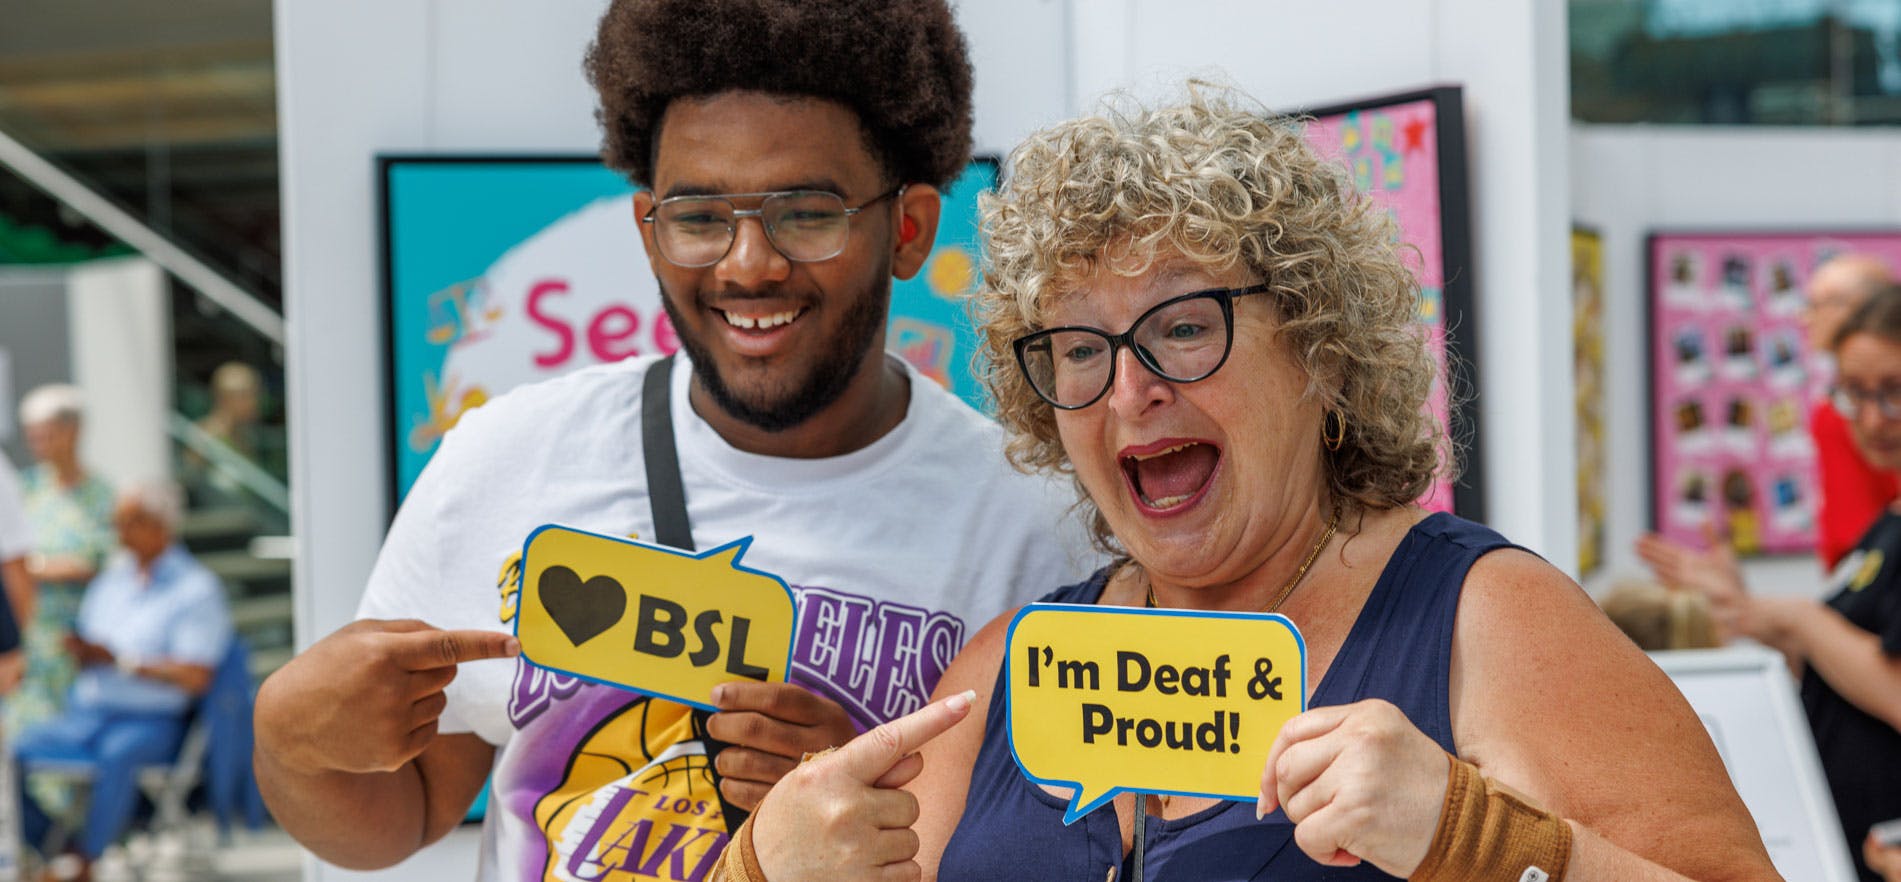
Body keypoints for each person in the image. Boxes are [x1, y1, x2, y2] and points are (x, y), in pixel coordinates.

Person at [718, 87, 1781, 882]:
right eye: (1077, 349)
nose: (1127, 387)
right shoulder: (1004, 665)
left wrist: (1480, 840)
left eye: (1183, 327)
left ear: (1316, 349)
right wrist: (760, 866)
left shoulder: (1477, 619)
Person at [252, 1, 1094, 878]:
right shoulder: (509, 459)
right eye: (698, 218)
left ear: (909, 230)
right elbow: (408, 808)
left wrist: (889, 808)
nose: (746, 265)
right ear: (649, 233)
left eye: (805, 213)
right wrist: (289, 747)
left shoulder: (1035, 525)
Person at [1642, 284, 1901, 882]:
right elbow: (1846, 670)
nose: (1869, 418)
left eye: (1891, 392)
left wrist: (1801, 623)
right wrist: (1747, 609)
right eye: (1853, 394)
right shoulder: (1887, 526)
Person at [12, 480, 231, 879]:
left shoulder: (196, 588)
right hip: (91, 714)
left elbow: (197, 675)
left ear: (161, 526)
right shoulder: (112, 581)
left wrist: (125, 663)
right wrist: (83, 653)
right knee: (15, 752)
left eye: (129, 522)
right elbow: (95, 646)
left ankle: (88, 860)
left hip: (153, 723)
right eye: (117, 523)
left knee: (119, 753)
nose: (119, 533)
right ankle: (58, 850)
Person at [8, 386, 117, 750]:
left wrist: (30, 567)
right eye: (34, 437)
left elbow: (92, 561)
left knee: (69, 732)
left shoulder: (100, 494)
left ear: (73, 431)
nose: (40, 445)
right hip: (28, 632)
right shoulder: (28, 487)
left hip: (76, 637)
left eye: (48, 435)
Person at [1805, 255, 1898, 569]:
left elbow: (1855, 538)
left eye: (1822, 304)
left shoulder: (1840, 414)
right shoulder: (1839, 407)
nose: (1807, 317)